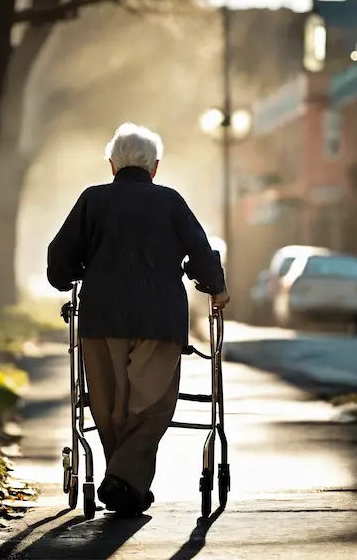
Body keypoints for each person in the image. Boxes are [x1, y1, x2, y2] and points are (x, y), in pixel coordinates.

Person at [47, 122, 230, 517]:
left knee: (109, 405)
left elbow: (58, 258)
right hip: (158, 317)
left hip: (100, 316)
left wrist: (68, 276)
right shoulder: (170, 202)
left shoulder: (92, 201)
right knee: (151, 405)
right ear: (155, 167)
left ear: (112, 165)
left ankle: (122, 480)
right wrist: (216, 286)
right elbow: (200, 250)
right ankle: (125, 480)